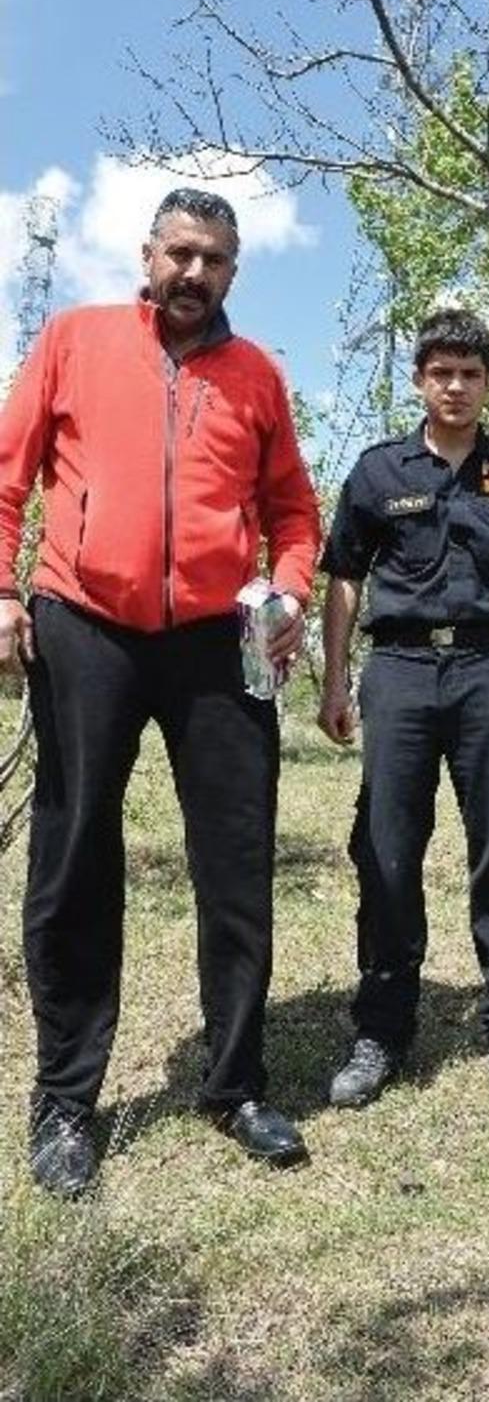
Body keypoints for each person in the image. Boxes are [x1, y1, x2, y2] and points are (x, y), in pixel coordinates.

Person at [0, 188, 321, 1196]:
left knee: (236, 863)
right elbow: (6, 480)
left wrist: (291, 595)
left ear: (234, 271)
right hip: (85, 622)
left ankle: (233, 1083)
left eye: (214, 259)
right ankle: (65, 1102)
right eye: (180, 253)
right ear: (148, 255)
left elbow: (296, 514)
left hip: (218, 644)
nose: (194, 273)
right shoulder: (74, 339)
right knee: (75, 855)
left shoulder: (257, 374)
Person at [318, 306, 489, 1111]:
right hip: (399, 669)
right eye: (442, 372)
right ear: (419, 379)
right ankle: (381, 1026)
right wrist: (336, 679)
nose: (457, 386)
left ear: (488, 381)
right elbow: (342, 577)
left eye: (471, 374)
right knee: (387, 848)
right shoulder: (378, 470)